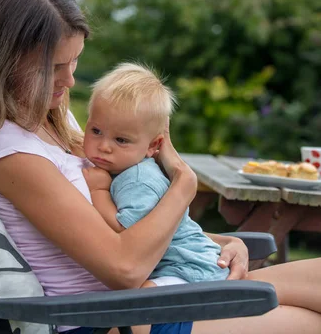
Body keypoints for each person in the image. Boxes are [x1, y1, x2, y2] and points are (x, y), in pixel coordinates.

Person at [0, 0, 321, 334]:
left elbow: (120, 229)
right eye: (55, 68)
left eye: (75, 62)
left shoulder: (53, 124)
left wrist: (219, 241)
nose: (70, 82)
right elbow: (122, 267)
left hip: (168, 287)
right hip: (123, 317)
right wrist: (185, 185)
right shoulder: (11, 154)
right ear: (6, 59)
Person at [81, 62, 228, 288]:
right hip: (180, 266)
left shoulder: (138, 180)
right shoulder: (123, 169)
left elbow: (127, 234)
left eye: (121, 140)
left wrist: (98, 191)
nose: (104, 146)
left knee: (138, 300)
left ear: (153, 146)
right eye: (96, 131)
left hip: (189, 269)